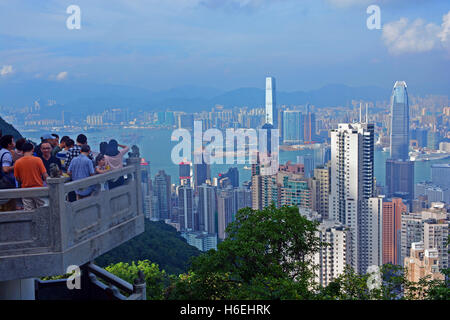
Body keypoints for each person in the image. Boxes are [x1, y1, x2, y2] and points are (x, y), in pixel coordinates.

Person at [14, 142, 48, 211]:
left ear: (22, 151)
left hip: (25, 190)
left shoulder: (17, 162)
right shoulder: (38, 160)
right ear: (32, 150)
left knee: (28, 212)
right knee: (42, 210)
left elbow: (17, 178)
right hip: (38, 189)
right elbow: (45, 175)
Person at [0, 135, 16, 211]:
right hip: (7, 183)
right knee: (8, 207)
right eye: (13, 141)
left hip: (3, 182)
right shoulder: (6, 154)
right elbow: (5, 169)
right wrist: (16, 165)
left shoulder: (2, 151)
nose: (14, 142)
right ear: (9, 144)